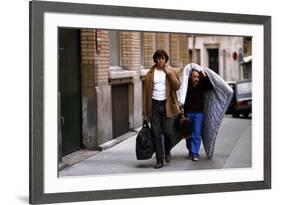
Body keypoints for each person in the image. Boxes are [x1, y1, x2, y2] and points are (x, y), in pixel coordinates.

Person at [142, 49, 181, 169]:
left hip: (167, 105)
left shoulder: (171, 71)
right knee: (156, 133)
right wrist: (145, 112)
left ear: (166, 59)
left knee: (168, 132)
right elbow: (146, 94)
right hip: (154, 105)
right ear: (155, 60)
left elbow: (177, 86)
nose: (160, 60)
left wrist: (169, 73)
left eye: (163, 58)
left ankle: (168, 150)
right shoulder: (149, 74)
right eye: (158, 58)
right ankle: (159, 159)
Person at [181, 65, 213, 161]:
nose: (196, 79)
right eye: (194, 77)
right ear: (191, 77)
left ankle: (195, 153)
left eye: (198, 77)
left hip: (198, 113)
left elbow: (211, 87)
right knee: (188, 135)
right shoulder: (187, 85)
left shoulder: (202, 84)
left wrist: (204, 75)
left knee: (196, 133)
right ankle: (191, 150)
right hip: (188, 113)